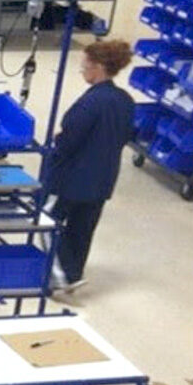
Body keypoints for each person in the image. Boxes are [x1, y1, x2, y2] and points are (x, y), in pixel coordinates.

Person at [44, 40, 135, 294]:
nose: (82, 71)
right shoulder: (124, 100)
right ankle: (73, 273)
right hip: (103, 179)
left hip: (71, 179)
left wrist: (56, 144)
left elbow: (69, 139)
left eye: (84, 67)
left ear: (97, 67)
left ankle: (60, 278)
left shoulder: (90, 102)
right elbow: (128, 134)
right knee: (82, 229)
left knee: (46, 220)